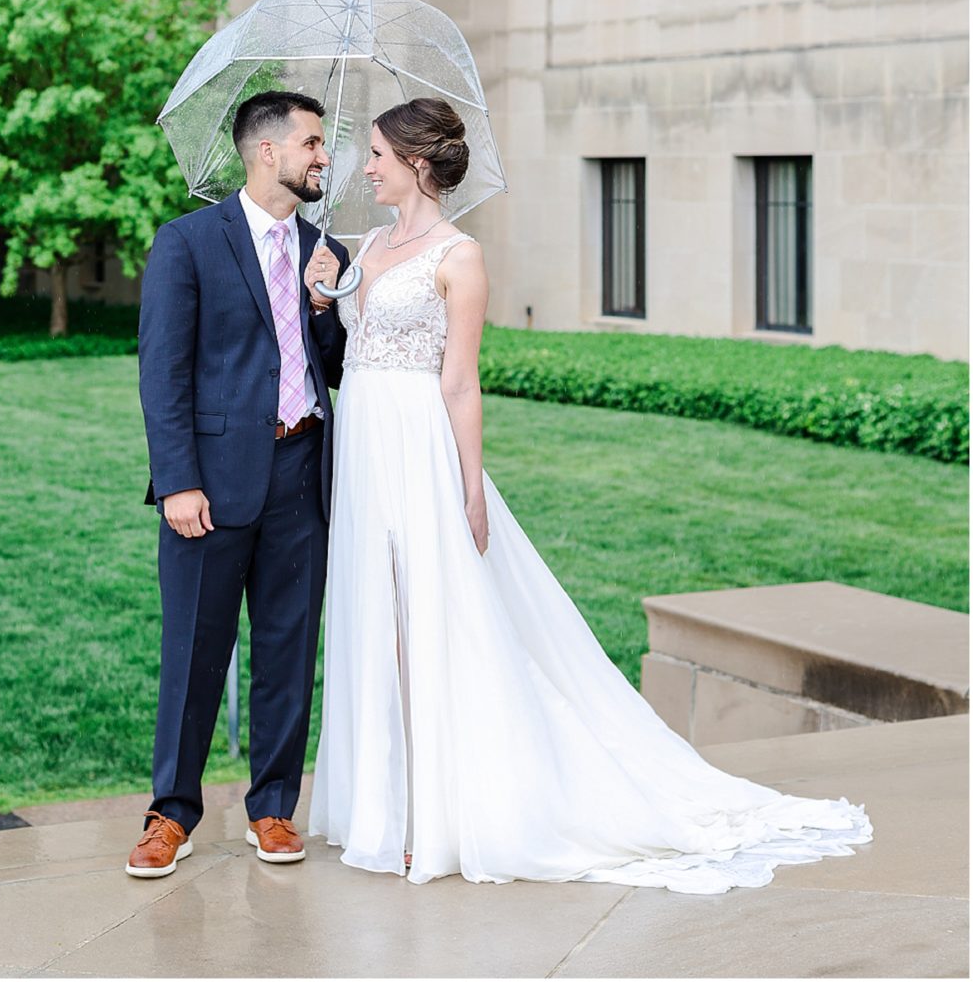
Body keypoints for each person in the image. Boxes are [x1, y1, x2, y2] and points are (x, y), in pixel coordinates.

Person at [309, 96, 873, 893]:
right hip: (362, 442)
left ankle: (438, 808)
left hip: (417, 446)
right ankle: (387, 799)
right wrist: (326, 294)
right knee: (377, 615)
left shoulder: (459, 256)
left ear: (417, 164)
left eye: (374, 154)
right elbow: (348, 343)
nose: (361, 166)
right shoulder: (363, 244)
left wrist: (470, 488)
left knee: (431, 616)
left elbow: (461, 382)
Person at [126, 91, 349, 878]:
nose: (325, 157)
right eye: (314, 144)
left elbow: (331, 365)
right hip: (210, 486)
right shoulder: (188, 242)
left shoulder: (326, 248)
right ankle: (171, 813)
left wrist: (325, 302)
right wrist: (178, 481)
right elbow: (163, 371)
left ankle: (272, 808)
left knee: (288, 649)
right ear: (267, 152)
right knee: (193, 650)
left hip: (301, 473)